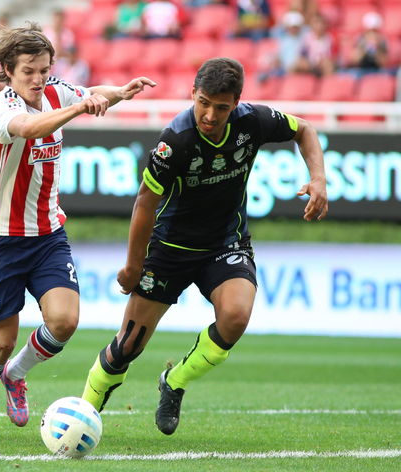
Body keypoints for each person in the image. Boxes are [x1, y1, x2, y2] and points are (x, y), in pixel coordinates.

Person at [81, 57, 328, 435]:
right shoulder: (175, 140)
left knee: (235, 317)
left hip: (225, 243)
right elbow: (145, 201)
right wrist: (133, 266)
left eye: (221, 107)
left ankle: (174, 381)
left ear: (236, 103)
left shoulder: (254, 122)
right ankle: (83, 415)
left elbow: (305, 130)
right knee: (127, 346)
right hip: (169, 250)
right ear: (192, 94)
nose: (210, 115)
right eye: (203, 103)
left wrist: (318, 179)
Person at [0, 22, 155, 439]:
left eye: (44, 70)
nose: (38, 78)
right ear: (9, 71)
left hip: (49, 233)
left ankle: (15, 375)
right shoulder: (3, 106)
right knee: (0, 342)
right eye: (29, 71)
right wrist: (79, 109)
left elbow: (90, 93)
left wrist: (118, 92)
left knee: (64, 322)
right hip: (1, 237)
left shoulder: (55, 90)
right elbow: (33, 128)